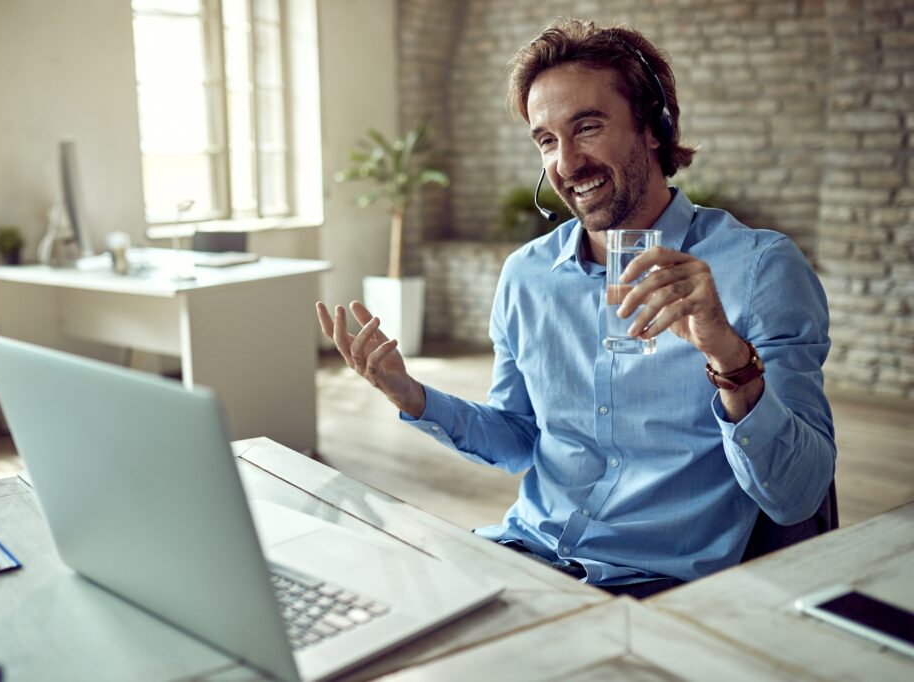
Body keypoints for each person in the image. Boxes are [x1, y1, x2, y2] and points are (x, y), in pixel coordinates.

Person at [315, 19, 835, 597]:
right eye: (545, 139)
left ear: (653, 128)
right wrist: (410, 396)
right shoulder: (527, 276)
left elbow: (798, 495)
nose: (566, 162)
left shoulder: (760, 268)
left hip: (654, 588)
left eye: (587, 127)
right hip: (524, 554)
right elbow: (518, 438)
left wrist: (730, 357)